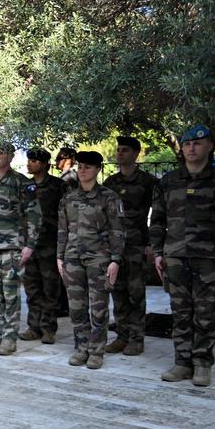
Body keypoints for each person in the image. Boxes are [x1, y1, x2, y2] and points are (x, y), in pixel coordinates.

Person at [150, 125, 215, 387]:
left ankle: (202, 364)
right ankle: (182, 363)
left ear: (210, 146)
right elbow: (157, 220)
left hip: (209, 259)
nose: (191, 148)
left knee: (207, 314)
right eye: (187, 144)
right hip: (175, 257)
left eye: (197, 144)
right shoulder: (168, 181)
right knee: (181, 312)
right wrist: (158, 252)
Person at [57, 151, 124, 370]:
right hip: (72, 258)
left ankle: (96, 351)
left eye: (87, 167)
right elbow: (62, 230)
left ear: (97, 169)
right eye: (80, 166)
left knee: (98, 308)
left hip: (99, 260)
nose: (82, 170)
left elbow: (117, 230)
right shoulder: (68, 198)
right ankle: (81, 347)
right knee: (76, 307)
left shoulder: (109, 197)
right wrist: (60, 256)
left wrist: (115, 260)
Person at [0, 142, 41, 356]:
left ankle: (10, 338)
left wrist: (30, 245)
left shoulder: (22, 183)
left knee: (10, 293)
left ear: (10, 157)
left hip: (11, 248)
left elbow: (34, 215)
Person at [103, 137, 158, 356]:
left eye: (125, 150)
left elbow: (158, 215)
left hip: (137, 245)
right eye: (118, 150)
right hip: (114, 248)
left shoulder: (148, 182)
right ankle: (122, 336)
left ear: (136, 154)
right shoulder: (110, 183)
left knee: (136, 293)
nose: (120, 153)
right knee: (117, 291)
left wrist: (152, 244)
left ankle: (136, 339)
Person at [19, 148, 66, 345]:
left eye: (34, 161)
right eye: (29, 160)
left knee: (50, 289)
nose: (30, 164)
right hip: (29, 246)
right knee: (31, 288)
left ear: (45, 164)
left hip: (49, 245)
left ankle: (48, 329)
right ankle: (33, 327)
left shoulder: (58, 186)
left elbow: (65, 215)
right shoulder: (25, 186)